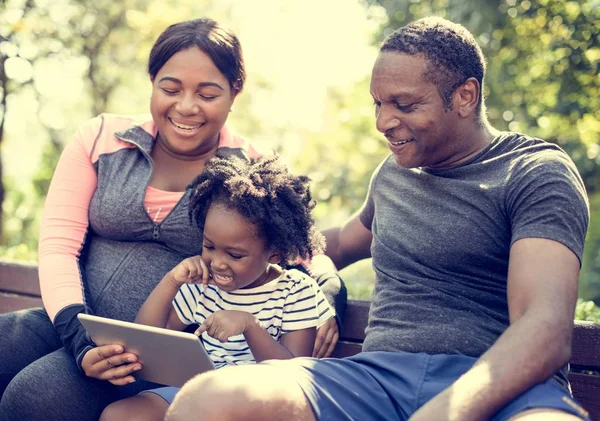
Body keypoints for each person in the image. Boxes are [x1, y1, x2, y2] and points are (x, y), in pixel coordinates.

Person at [163, 16, 592, 421]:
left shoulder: (534, 172)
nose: (384, 122)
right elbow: (329, 245)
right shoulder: (393, 175)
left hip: (503, 385)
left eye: (404, 104)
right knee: (208, 399)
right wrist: (318, 283)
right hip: (377, 379)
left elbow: (545, 329)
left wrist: (448, 409)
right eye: (378, 104)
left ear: (465, 96)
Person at [0, 18, 344, 421]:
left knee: (32, 399)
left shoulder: (248, 174)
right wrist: (78, 337)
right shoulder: (102, 140)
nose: (186, 106)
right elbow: (59, 245)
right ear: (152, 80)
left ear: (235, 93)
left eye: (208, 93)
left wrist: (329, 298)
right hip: (71, 319)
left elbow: (301, 249)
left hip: (154, 350)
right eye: (170, 88)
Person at [99, 154, 335, 421]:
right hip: (197, 390)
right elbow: (146, 339)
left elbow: (293, 377)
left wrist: (250, 326)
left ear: (275, 255)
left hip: (259, 404)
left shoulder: (295, 291)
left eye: (234, 255)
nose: (218, 263)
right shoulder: (202, 284)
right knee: (119, 415)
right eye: (209, 247)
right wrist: (171, 282)